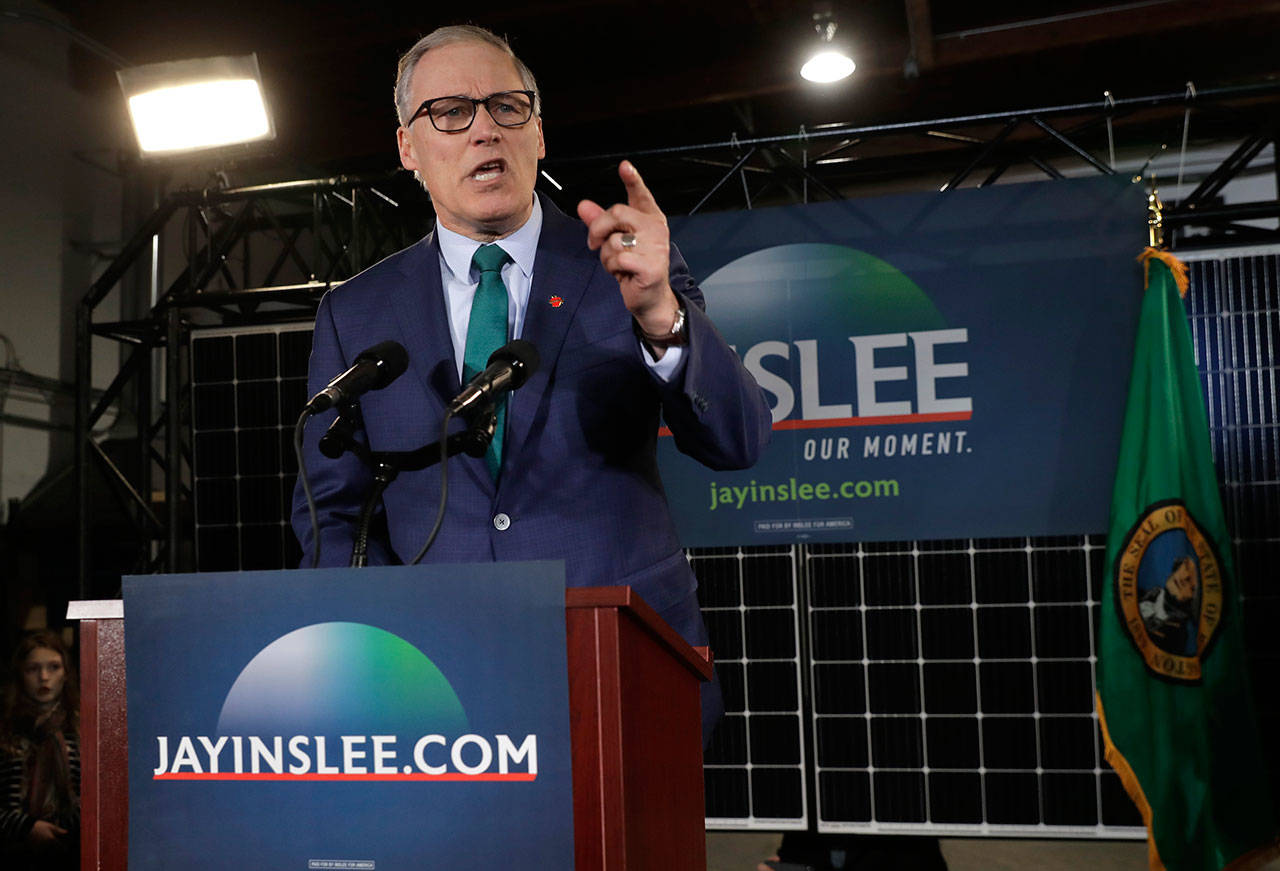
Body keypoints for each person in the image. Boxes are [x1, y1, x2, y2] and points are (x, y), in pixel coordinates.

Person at [290, 25, 771, 735]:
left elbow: (738, 440)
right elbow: (332, 512)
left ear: (538, 133)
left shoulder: (625, 269)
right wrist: (369, 647)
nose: (485, 129)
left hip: (622, 660)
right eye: (451, 112)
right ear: (407, 149)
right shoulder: (354, 312)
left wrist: (661, 316)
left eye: (507, 107)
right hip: (436, 680)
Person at [0, 631, 80, 871]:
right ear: (20, 674)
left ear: (66, 672)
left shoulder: (84, 728)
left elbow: (102, 793)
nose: (44, 677)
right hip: (12, 853)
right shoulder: (6, 730)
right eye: (33, 669)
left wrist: (66, 828)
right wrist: (26, 827)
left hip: (75, 851)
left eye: (53, 667)